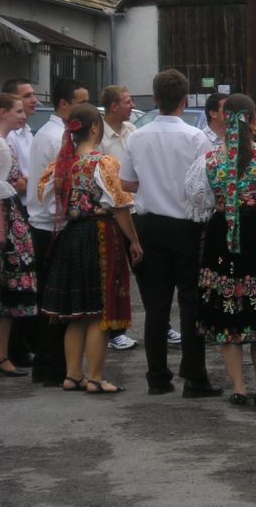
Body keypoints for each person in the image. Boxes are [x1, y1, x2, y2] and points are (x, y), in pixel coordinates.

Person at [186, 93, 256, 407]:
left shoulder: (209, 160)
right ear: (253, 119)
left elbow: (200, 203)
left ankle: (239, 386)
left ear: (224, 119)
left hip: (221, 235)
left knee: (227, 310)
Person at [121, 69, 222, 397]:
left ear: (154, 99)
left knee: (156, 305)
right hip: (187, 224)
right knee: (191, 301)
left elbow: (127, 183)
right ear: (185, 100)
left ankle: (157, 376)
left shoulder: (137, 136)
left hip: (149, 224)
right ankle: (195, 377)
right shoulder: (195, 138)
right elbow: (207, 184)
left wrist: (153, 182)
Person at [38, 105, 143, 393]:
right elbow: (120, 205)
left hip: (71, 237)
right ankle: (95, 377)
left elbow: (47, 204)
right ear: (95, 128)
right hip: (99, 235)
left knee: (77, 314)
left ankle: (73, 375)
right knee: (98, 313)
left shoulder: (61, 166)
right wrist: (134, 240)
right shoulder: (103, 163)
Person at [27, 78, 89, 385]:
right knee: (56, 302)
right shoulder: (56, 138)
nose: (86, 107)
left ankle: (49, 365)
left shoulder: (52, 133)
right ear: (64, 104)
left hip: (47, 223)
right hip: (52, 225)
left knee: (51, 301)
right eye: (81, 102)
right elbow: (59, 187)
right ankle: (52, 367)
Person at [0, 94, 37, 376]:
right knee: (7, 286)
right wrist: (1, 228)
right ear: (2, 112)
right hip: (2, 219)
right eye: (18, 111)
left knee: (2, 284)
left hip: (1, 217)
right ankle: (0, 353)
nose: (23, 116)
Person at [98, 85, 141, 352]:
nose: (132, 105)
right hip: (113, 212)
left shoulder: (132, 130)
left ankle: (160, 324)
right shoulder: (100, 136)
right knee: (114, 274)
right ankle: (115, 331)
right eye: (127, 101)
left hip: (135, 208)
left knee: (145, 270)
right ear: (113, 106)